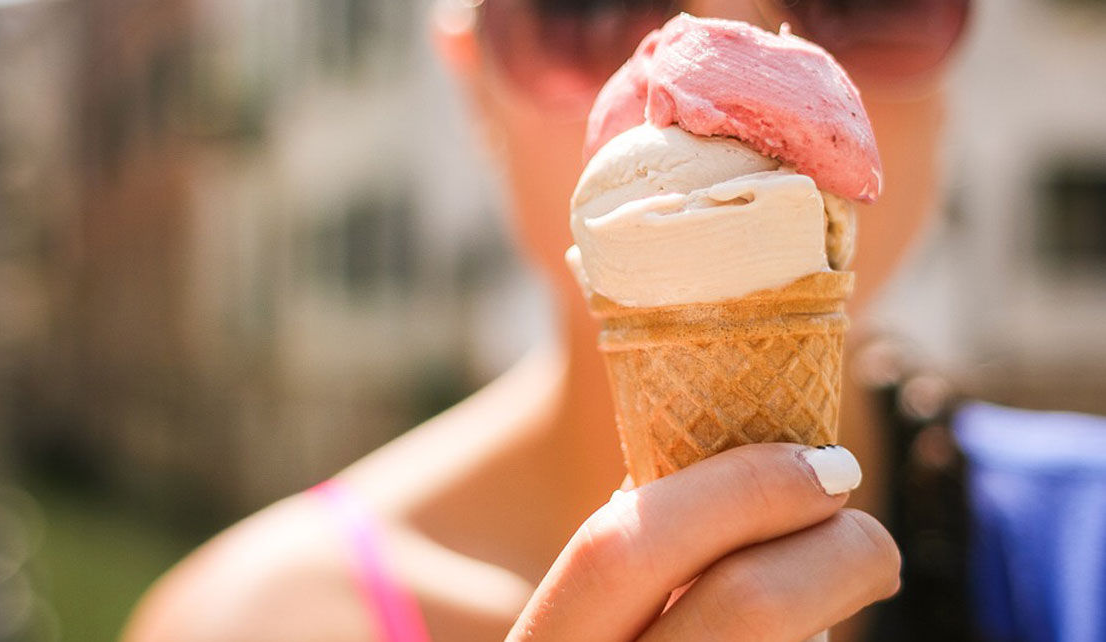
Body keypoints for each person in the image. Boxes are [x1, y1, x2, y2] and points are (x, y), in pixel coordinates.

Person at [120, 1, 971, 640]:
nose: (729, 54)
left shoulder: (1061, 546)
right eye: (588, 6)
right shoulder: (242, 626)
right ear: (473, 82)